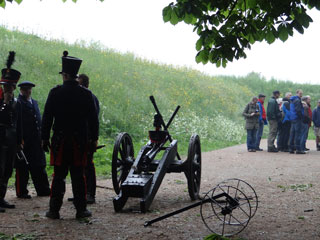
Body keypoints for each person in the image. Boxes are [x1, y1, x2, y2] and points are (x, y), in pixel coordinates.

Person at [42, 51, 99, 219]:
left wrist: (44, 138)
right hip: (79, 142)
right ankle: (81, 210)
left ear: (65, 75)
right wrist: (94, 138)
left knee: (58, 176)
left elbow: (47, 117)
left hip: (60, 141)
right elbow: (93, 120)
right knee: (78, 176)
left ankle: (54, 210)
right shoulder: (86, 94)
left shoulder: (55, 92)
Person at [15, 81, 50, 199]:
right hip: (25, 140)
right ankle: (21, 191)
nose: (27, 91)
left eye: (29, 89)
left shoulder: (34, 102)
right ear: (21, 90)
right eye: (25, 89)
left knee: (39, 166)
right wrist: (19, 140)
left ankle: (43, 189)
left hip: (36, 140)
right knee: (23, 167)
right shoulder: (18, 103)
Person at [68, 73, 100, 204]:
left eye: (80, 84)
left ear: (85, 85)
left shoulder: (91, 98)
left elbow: (93, 120)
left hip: (86, 137)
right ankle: (80, 194)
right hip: (78, 136)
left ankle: (90, 193)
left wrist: (93, 138)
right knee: (78, 166)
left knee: (88, 166)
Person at [0, 51, 22, 212]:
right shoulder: (2, 101)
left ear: (14, 87)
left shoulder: (18, 102)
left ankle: (1, 197)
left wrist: (20, 141)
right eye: (4, 85)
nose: (6, 88)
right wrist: (5, 104)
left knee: (7, 169)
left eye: (8, 86)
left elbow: (18, 123)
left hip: (12, 140)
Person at [289, 89, 305, 154]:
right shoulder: (298, 100)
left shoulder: (292, 100)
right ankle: (298, 149)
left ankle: (291, 148)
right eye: (300, 93)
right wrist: (301, 117)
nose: (301, 95)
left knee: (292, 134)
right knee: (298, 134)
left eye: (301, 93)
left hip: (292, 118)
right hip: (297, 118)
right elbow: (298, 110)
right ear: (297, 93)